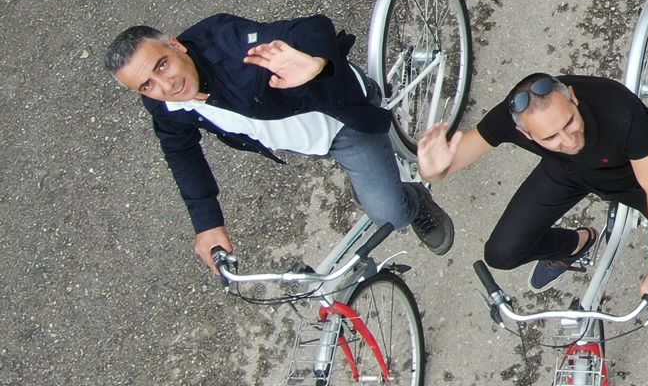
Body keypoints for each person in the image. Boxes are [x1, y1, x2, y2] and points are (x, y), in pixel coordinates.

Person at [107, 14, 454, 269]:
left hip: (341, 121)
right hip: (301, 135)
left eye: (162, 65)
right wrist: (208, 224)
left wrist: (315, 64)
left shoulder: (230, 46)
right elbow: (180, 149)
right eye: (146, 85)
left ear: (175, 45)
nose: (164, 86)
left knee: (388, 212)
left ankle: (414, 200)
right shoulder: (162, 103)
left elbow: (311, 28)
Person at [416, 72, 648, 330]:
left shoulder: (619, 111)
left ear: (573, 98)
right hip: (568, 172)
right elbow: (456, 157)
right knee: (502, 253)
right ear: (524, 133)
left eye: (570, 122)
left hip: (631, 173)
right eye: (550, 138)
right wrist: (434, 170)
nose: (568, 140)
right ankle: (574, 245)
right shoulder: (510, 122)